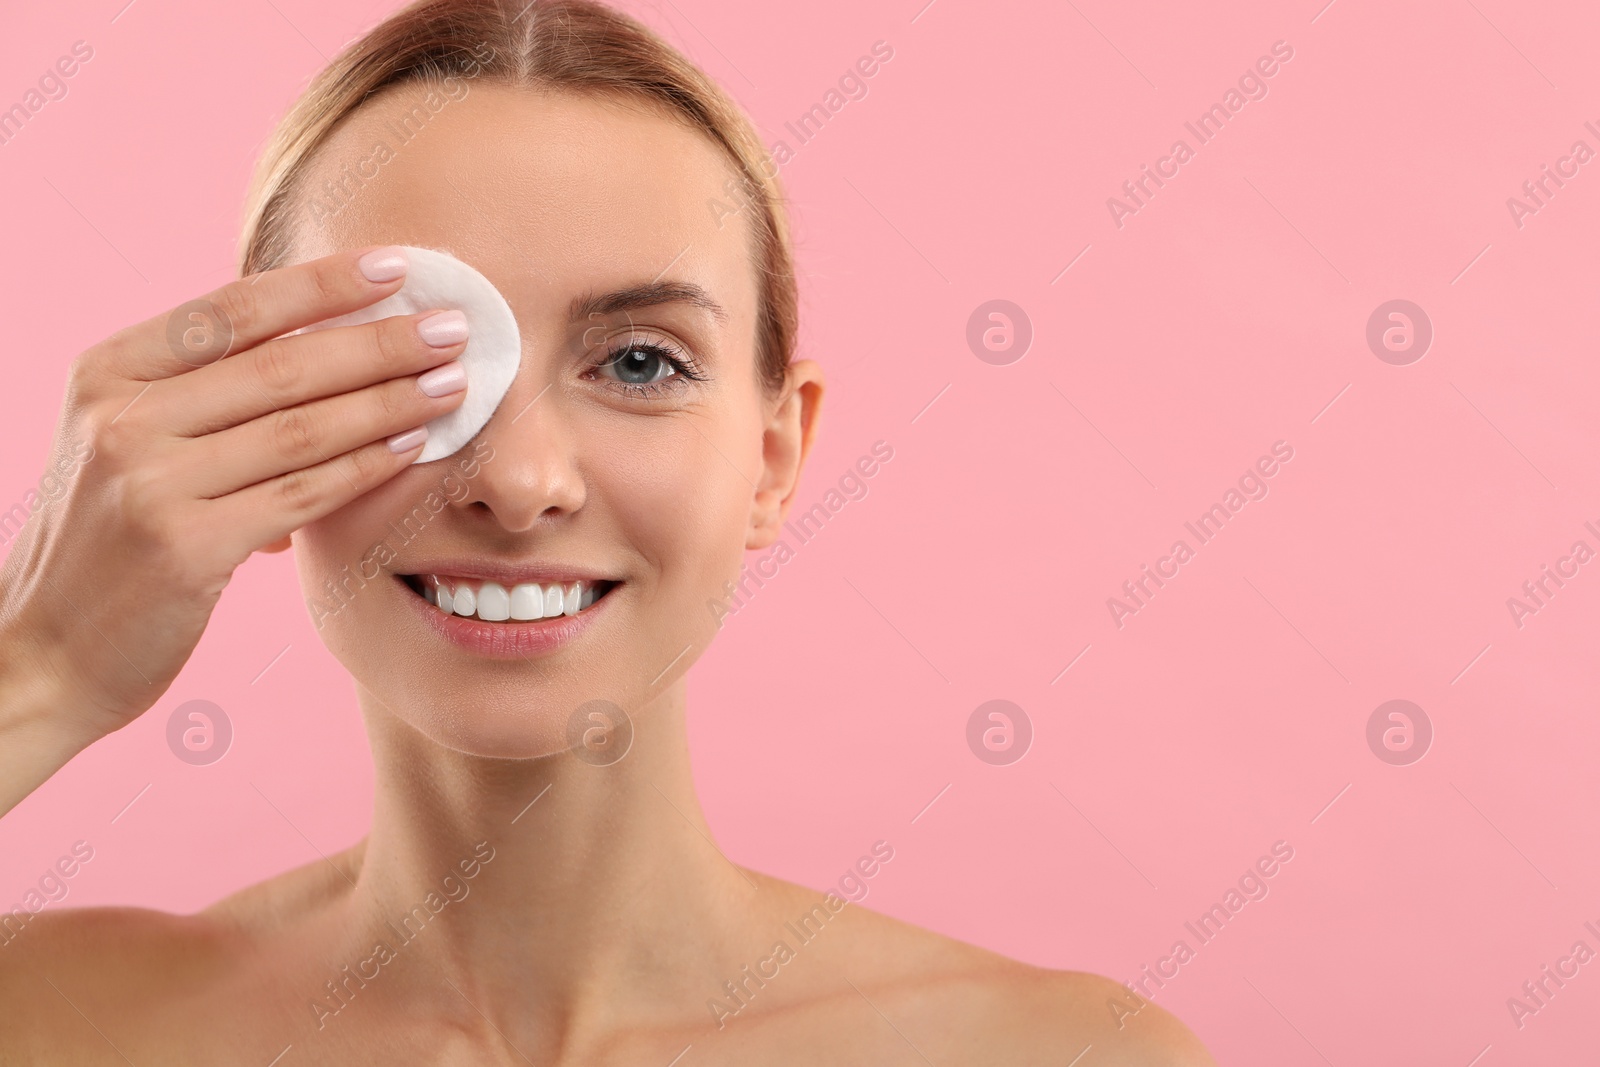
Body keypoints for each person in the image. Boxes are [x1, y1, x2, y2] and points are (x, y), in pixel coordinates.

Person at [0, 1, 1216, 1061]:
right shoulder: (48, 1020)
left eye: (640, 361)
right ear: (265, 416)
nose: (520, 481)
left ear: (773, 456)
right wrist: (37, 671)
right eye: (416, 361)